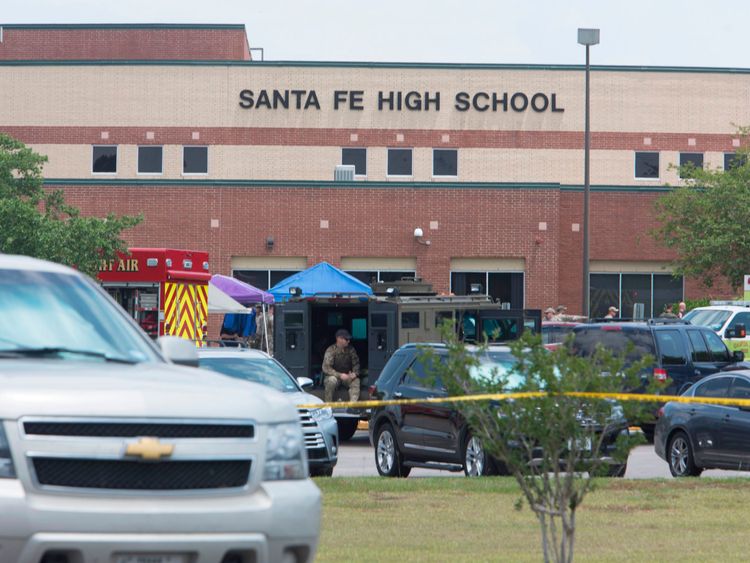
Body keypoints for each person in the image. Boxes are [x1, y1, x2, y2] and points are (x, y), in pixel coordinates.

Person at [322, 328, 360, 403]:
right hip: (334, 376)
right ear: (339, 339)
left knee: (356, 381)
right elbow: (326, 368)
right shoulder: (331, 350)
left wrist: (355, 373)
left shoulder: (351, 349)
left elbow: (356, 363)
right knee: (331, 381)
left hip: (347, 376)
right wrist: (339, 375)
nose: (348, 341)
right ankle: (328, 406)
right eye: (346, 339)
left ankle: (352, 406)